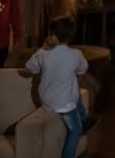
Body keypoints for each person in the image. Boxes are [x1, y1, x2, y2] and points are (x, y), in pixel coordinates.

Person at [25, 17, 89, 158]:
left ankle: (83, 116)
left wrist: (42, 48)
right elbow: (83, 69)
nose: (47, 38)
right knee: (76, 131)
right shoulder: (76, 54)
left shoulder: (43, 55)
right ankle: (83, 119)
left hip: (47, 101)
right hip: (64, 105)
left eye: (49, 35)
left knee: (73, 87)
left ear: (53, 37)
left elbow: (30, 67)